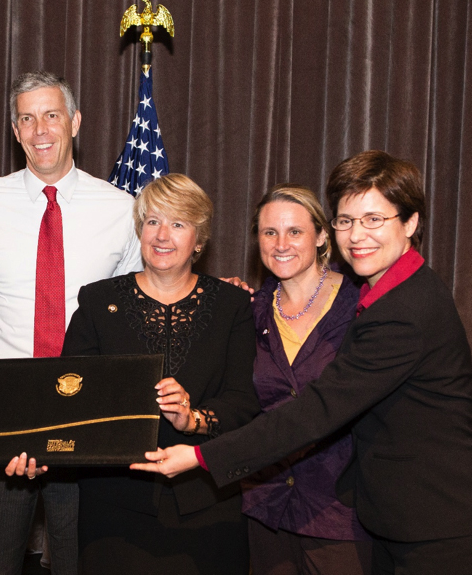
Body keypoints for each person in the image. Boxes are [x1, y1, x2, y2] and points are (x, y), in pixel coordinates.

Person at [132, 150, 472, 574]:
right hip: (330, 512)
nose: (357, 234)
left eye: (373, 220)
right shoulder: (381, 293)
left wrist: (201, 458)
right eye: (346, 220)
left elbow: (318, 410)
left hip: (427, 521)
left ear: (410, 223)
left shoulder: (402, 310)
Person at [0, 71, 142, 575]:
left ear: (75, 122)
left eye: (52, 115)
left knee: (81, 555)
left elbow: (141, 303)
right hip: (2, 396)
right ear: (15, 132)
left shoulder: (121, 210)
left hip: (86, 395)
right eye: (27, 118)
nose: (40, 130)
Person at [44, 173, 258, 574]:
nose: (163, 235)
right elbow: (70, 402)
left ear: (200, 238)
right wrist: (40, 448)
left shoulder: (232, 305)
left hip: (207, 504)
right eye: (152, 221)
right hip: (114, 509)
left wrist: (195, 420)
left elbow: (244, 402)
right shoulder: (97, 300)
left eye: (178, 224)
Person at [242, 184, 371, 574]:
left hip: (341, 511)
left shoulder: (361, 305)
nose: (281, 244)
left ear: (321, 236)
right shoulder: (249, 313)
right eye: (269, 232)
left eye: (295, 231)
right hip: (267, 510)